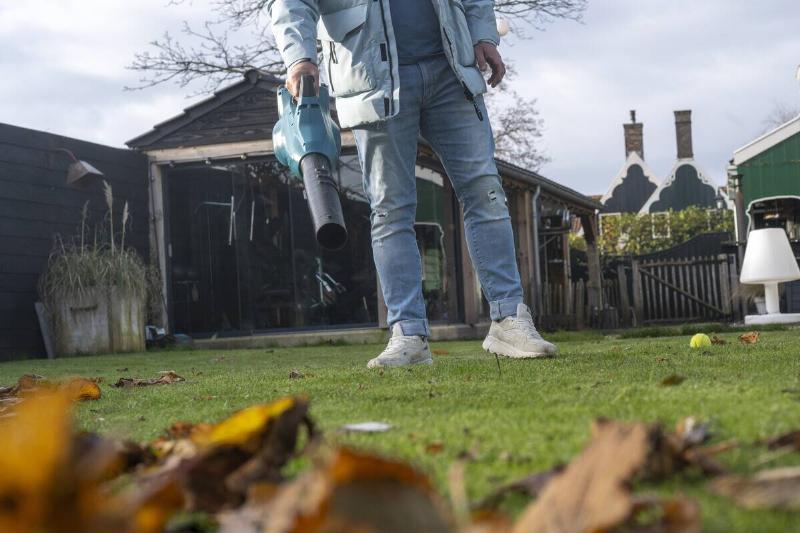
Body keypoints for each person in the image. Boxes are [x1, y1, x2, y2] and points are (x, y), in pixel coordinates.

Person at [268, 0, 557, 368]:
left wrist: (484, 34)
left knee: (486, 191)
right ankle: (408, 334)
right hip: (372, 80)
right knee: (391, 209)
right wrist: (299, 58)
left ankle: (509, 319)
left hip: (449, 68)